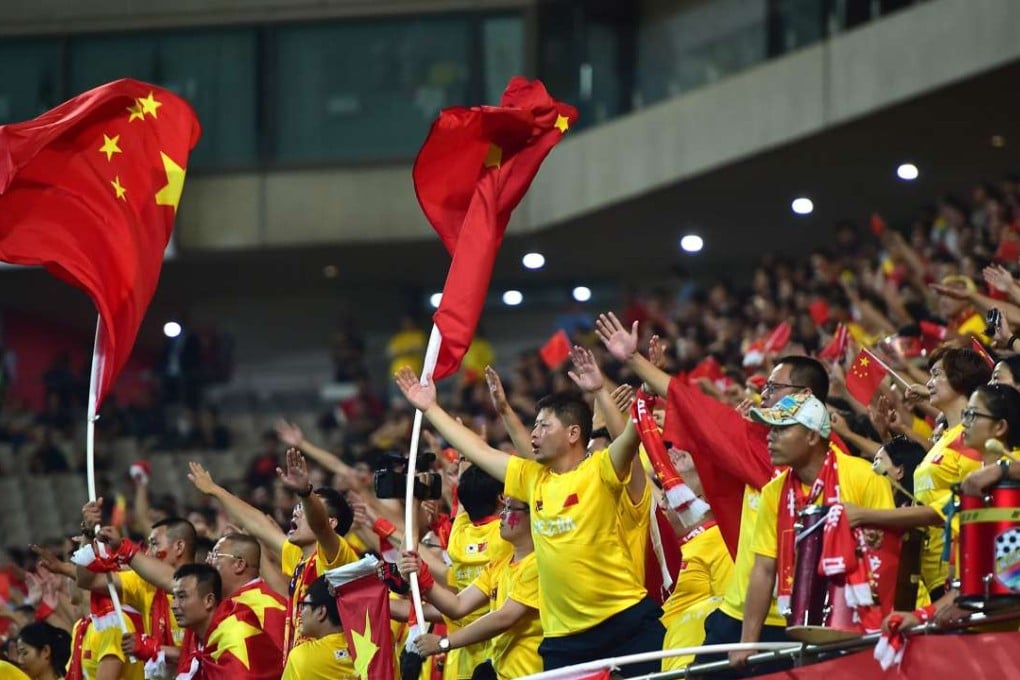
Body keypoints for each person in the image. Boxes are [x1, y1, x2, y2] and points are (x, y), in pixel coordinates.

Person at [595, 313, 833, 674]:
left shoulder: (842, 466)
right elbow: (696, 414)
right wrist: (634, 368)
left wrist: (634, 362)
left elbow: (699, 411)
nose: (762, 395)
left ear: (803, 397)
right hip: (744, 611)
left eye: (772, 389)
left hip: (803, 612)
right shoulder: (760, 447)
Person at [394, 362, 664, 674]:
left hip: (624, 620)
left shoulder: (600, 469)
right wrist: (431, 408)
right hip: (565, 640)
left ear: (573, 433)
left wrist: (638, 388)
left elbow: (631, 438)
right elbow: (479, 450)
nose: (534, 434)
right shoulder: (532, 477)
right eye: (533, 426)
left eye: (544, 426)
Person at [732, 394, 894, 668]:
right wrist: (747, 642)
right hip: (808, 625)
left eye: (782, 429)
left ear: (811, 436)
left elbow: (888, 553)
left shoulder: (862, 474)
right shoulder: (774, 492)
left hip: (870, 621)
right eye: (771, 429)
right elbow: (764, 569)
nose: (770, 437)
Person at [849, 348, 989, 601]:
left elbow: (955, 508)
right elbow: (925, 490)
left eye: (936, 375)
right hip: (927, 573)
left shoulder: (971, 440)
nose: (929, 383)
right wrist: (891, 436)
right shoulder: (945, 438)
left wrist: (869, 516)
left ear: (960, 379)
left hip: (959, 569)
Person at [186, 450, 357, 655]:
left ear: (331, 522)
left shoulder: (337, 553)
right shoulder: (299, 557)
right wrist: (215, 490)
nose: (297, 511)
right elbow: (258, 524)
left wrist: (305, 493)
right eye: (299, 506)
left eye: (305, 508)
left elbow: (320, 527)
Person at [400, 495, 542, 679]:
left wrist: (444, 643)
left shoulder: (538, 564)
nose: (502, 515)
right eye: (503, 508)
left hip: (532, 674)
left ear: (534, 514)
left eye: (510, 509)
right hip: (501, 673)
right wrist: (423, 578)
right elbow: (457, 606)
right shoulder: (498, 565)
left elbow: (503, 617)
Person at [75, 510, 197, 670]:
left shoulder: (204, 585)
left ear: (179, 546)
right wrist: (88, 536)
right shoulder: (144, 583)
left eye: (154, 544)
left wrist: (154, 649)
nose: (147, 552)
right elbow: (88, 580)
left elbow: (202, 655)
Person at [659, 450, 734, 672]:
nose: (663, 506)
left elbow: (728, 609)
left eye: (667, 497)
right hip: (667, 659)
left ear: (696, 502)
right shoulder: (681, 549)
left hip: (693, 665)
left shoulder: (719, 540)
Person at [281, 577, 355, 679]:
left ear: (321, 612)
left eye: (304, 605)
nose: (300, 613)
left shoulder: (302, 658)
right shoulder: (364, 647)